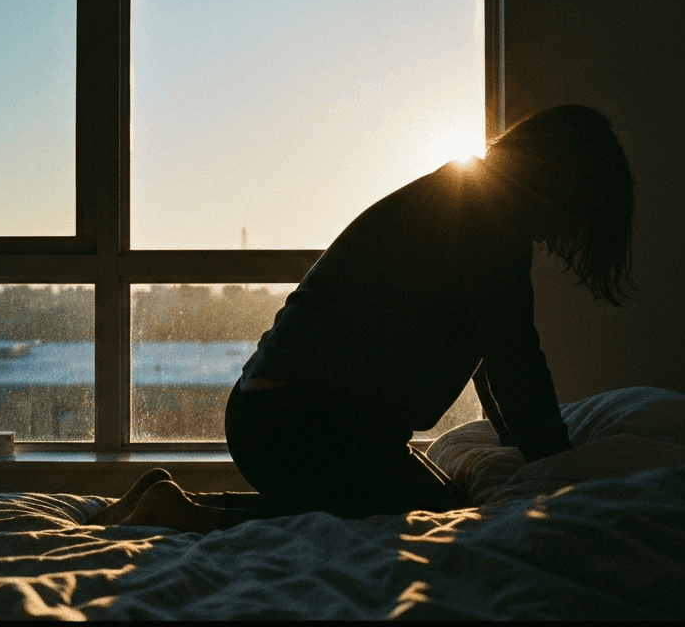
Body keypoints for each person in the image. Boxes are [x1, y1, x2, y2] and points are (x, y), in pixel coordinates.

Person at [92, 105, 635, 533]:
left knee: (423, 504)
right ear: (562, 183)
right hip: (300, 422)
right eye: (577, 209)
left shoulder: (463, 196)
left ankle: (171, 501)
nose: (564, 231)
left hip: (278, 412)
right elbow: (513, 353)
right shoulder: (490, 223)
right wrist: (558, 467)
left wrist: (528, 450)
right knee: (427, 518)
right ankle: (183, 515)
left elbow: (492, 360)